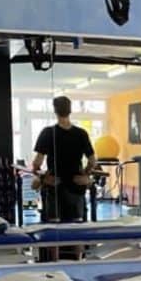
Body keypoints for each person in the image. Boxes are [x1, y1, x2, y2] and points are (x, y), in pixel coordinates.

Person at [31, 95, 97, 223]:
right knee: (76, 228)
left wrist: (43, 177)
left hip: (55, 185)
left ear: (55, 111)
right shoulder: (81, 133)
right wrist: (85, 174)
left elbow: (37, 163)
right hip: (76, 185)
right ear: (70, 111)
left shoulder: (47, 132)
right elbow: (93, 161)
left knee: (53, 227)